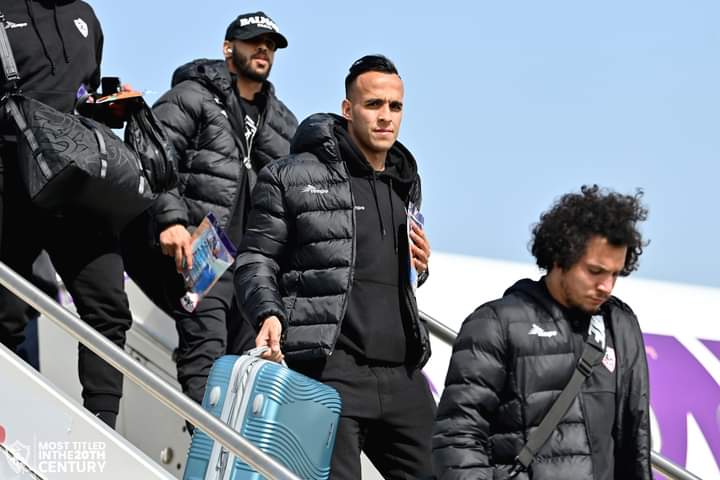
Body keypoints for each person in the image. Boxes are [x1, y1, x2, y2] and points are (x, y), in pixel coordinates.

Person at [235, 54, 435, 479]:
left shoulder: (406, 182)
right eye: (373, 104)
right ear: (348, 109)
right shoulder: (289, 175)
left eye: (395, 106)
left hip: (402, 374)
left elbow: (384, 271)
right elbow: (255, 258)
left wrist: (419, 265)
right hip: (329, 370)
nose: (385, 117)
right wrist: (267, 312)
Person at [121, 11, 297, 410]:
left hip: (254, 270)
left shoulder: (283, 122)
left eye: (271, 45)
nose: (263, 49)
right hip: (204, 257)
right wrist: (171, 219)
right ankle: (205, 441)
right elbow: (152, 154)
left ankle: (229, 447)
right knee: (206, 355)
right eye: (254, 41)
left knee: (247, 374)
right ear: (228, 48)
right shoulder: (192, 96)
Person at [433, 185, 652, 480]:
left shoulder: (620, 326)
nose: (607, 287)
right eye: (595, 271)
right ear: (560, 257)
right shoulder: (495, 323)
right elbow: (457, 437)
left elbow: (635, 444)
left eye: (615, 274)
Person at [0, 0, 134, 428]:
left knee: (108, 306)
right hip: (11, 177)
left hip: (76, 178)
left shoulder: (86, 15)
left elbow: (81, 97)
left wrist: (108, 106)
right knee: (6, 310)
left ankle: (100, 432)